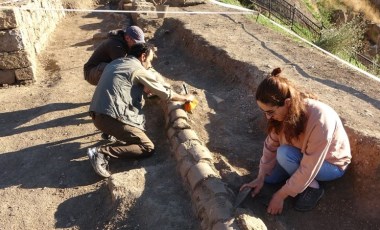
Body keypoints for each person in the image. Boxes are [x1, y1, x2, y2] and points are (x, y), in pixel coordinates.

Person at [240, 67, 351, 214]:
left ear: (286, 103)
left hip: (329, 164)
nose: (268, 117)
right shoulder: (281, 115)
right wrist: (260, 177)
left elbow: (310, 166)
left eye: (270, 112)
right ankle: (294, 179)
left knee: (284, 153)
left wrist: (280, 195)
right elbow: (270, 146)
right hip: (300, 155)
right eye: (264, 112)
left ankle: (314, 188)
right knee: (270, 178)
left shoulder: (320, 119)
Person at [86, 43, 194, 178]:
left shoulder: (118, 62)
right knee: (147, 147)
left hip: (98, 113)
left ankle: (113, 134)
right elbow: (165, 93)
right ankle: (101, 153)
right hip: (108, 117)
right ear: (143, 56)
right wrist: (185, 98)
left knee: (134, 129)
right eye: (149, 61)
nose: (149, 65)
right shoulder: (137, 69)